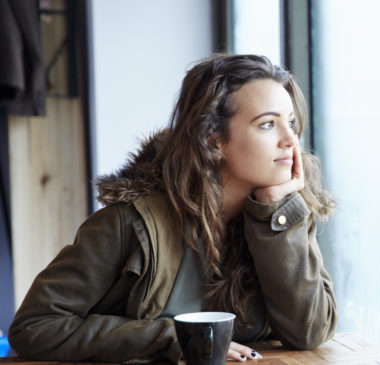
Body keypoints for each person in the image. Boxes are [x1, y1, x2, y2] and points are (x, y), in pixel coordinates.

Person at [8, 54, 337, 363]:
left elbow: (309, 332)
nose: (290, 140)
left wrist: (273, 216)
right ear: (213, 139)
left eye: (291, 123)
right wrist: (169, 337)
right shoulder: (131, 224)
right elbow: (34, 327)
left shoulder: (284, 216)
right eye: (268, 124)